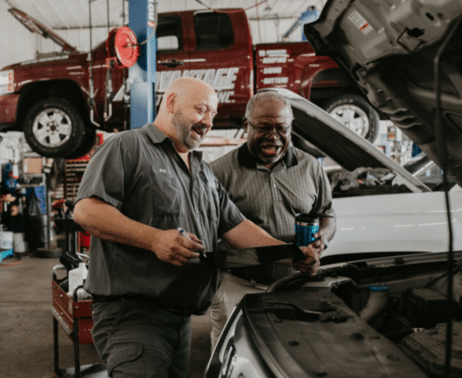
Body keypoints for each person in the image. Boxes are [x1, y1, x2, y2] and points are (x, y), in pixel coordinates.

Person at [73, 77, 319, 377]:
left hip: (180, 321)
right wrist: (154, 239)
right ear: (172, 102)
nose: (208, 122)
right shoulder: (128, 146)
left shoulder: (201, 171)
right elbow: (86, 211)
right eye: (201, 110)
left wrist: (290, 254)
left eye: (213, 115)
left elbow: (236, 226)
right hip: (134, 317)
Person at [208, 90, 336, 349]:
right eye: (263, 127)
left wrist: (323, 237)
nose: (274, 136)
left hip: (295, 286)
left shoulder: (310, 166)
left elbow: (328, 213)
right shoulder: (219, 172)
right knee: (233, 359)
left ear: (291, 127)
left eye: (282, 128)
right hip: (238, 288)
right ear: (246, 126)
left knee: (292, 360)